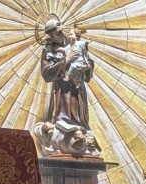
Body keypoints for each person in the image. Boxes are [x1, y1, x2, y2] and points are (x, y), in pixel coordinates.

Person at [37, 19, 100, 157]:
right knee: (62, 115)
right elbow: (46, 74)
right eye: (55, 33)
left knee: (78, 114)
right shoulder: (48, 50)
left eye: (60, 31)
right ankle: (64, 133)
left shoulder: (73, 41)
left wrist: (87, 66)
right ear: (50, 35)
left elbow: (87, 59)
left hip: (77, 87)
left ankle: (80, 131)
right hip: (61, 89)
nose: (59, 35)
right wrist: (66, 60)